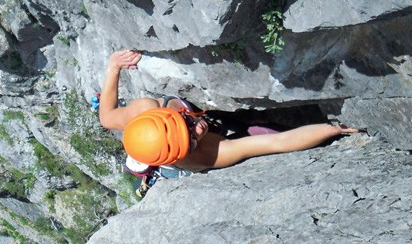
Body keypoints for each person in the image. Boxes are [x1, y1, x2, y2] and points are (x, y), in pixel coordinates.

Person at [99, 49, 360, 173]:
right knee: (260, 130)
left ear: (165, 115)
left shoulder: (143, 109)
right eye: (191, 141)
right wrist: (333, 129)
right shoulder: (204, 155)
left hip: (192, 114)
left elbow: (106, 117)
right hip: (222, 134)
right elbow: (278, 143)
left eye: (186, 124)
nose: (197, 129)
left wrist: (113, 66)